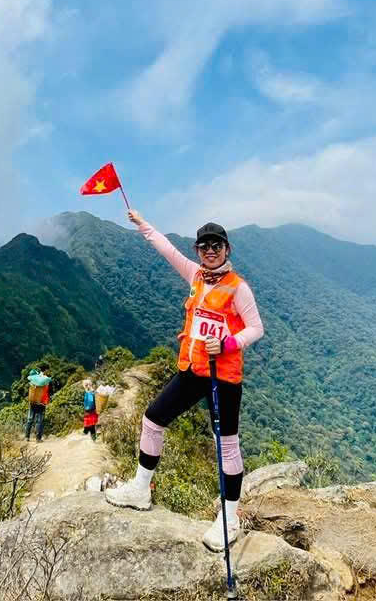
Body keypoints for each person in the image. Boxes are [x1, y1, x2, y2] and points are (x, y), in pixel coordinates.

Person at [106, 211, 264, 551]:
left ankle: (229, 518)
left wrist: (227, 343)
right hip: (193, 371)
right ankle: (140, 489)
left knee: (227, 446)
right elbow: (166, 250)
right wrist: (142, 223)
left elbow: (256, 328)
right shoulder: (195, 275)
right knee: (152, 419)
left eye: (216, 245)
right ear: (197, 251)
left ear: (227, 248)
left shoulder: (239, 289)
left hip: (223, 377)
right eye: (204, 246)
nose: (210, 251)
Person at [24, 363, 52, 443]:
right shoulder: (46, 379)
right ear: (46, 370)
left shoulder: (34, 377)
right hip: (41, 402)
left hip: (32, 401)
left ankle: (27, 437)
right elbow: (48, 389)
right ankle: (38, 439)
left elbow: (29, 379)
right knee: (39, 421)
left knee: (30, 419)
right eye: (48, 369)